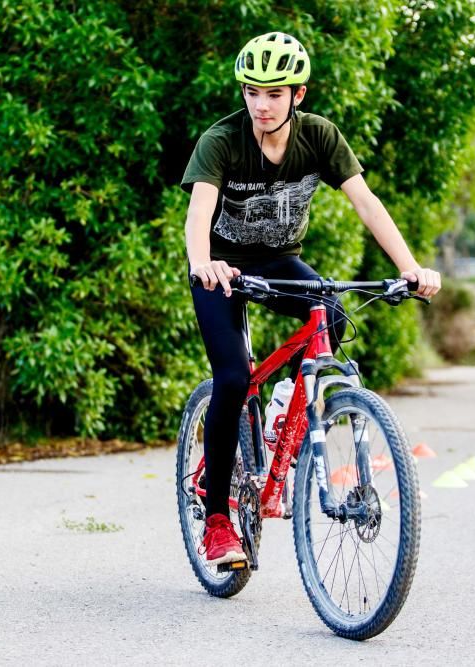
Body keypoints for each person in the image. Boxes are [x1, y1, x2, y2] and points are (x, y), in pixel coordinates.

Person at [182, 32, 441, 566]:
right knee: (231, 378)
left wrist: (409, 268)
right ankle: (216, 521)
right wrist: (202, 262)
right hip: (222, 268)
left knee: (335, 316)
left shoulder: (319, 137)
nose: (260, 103)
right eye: (253, 91)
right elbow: (199, 213)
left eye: (274, 93)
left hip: (278, 261)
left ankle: (283, 406)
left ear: (298, 94)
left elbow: (366, 203)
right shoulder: (222, 139)